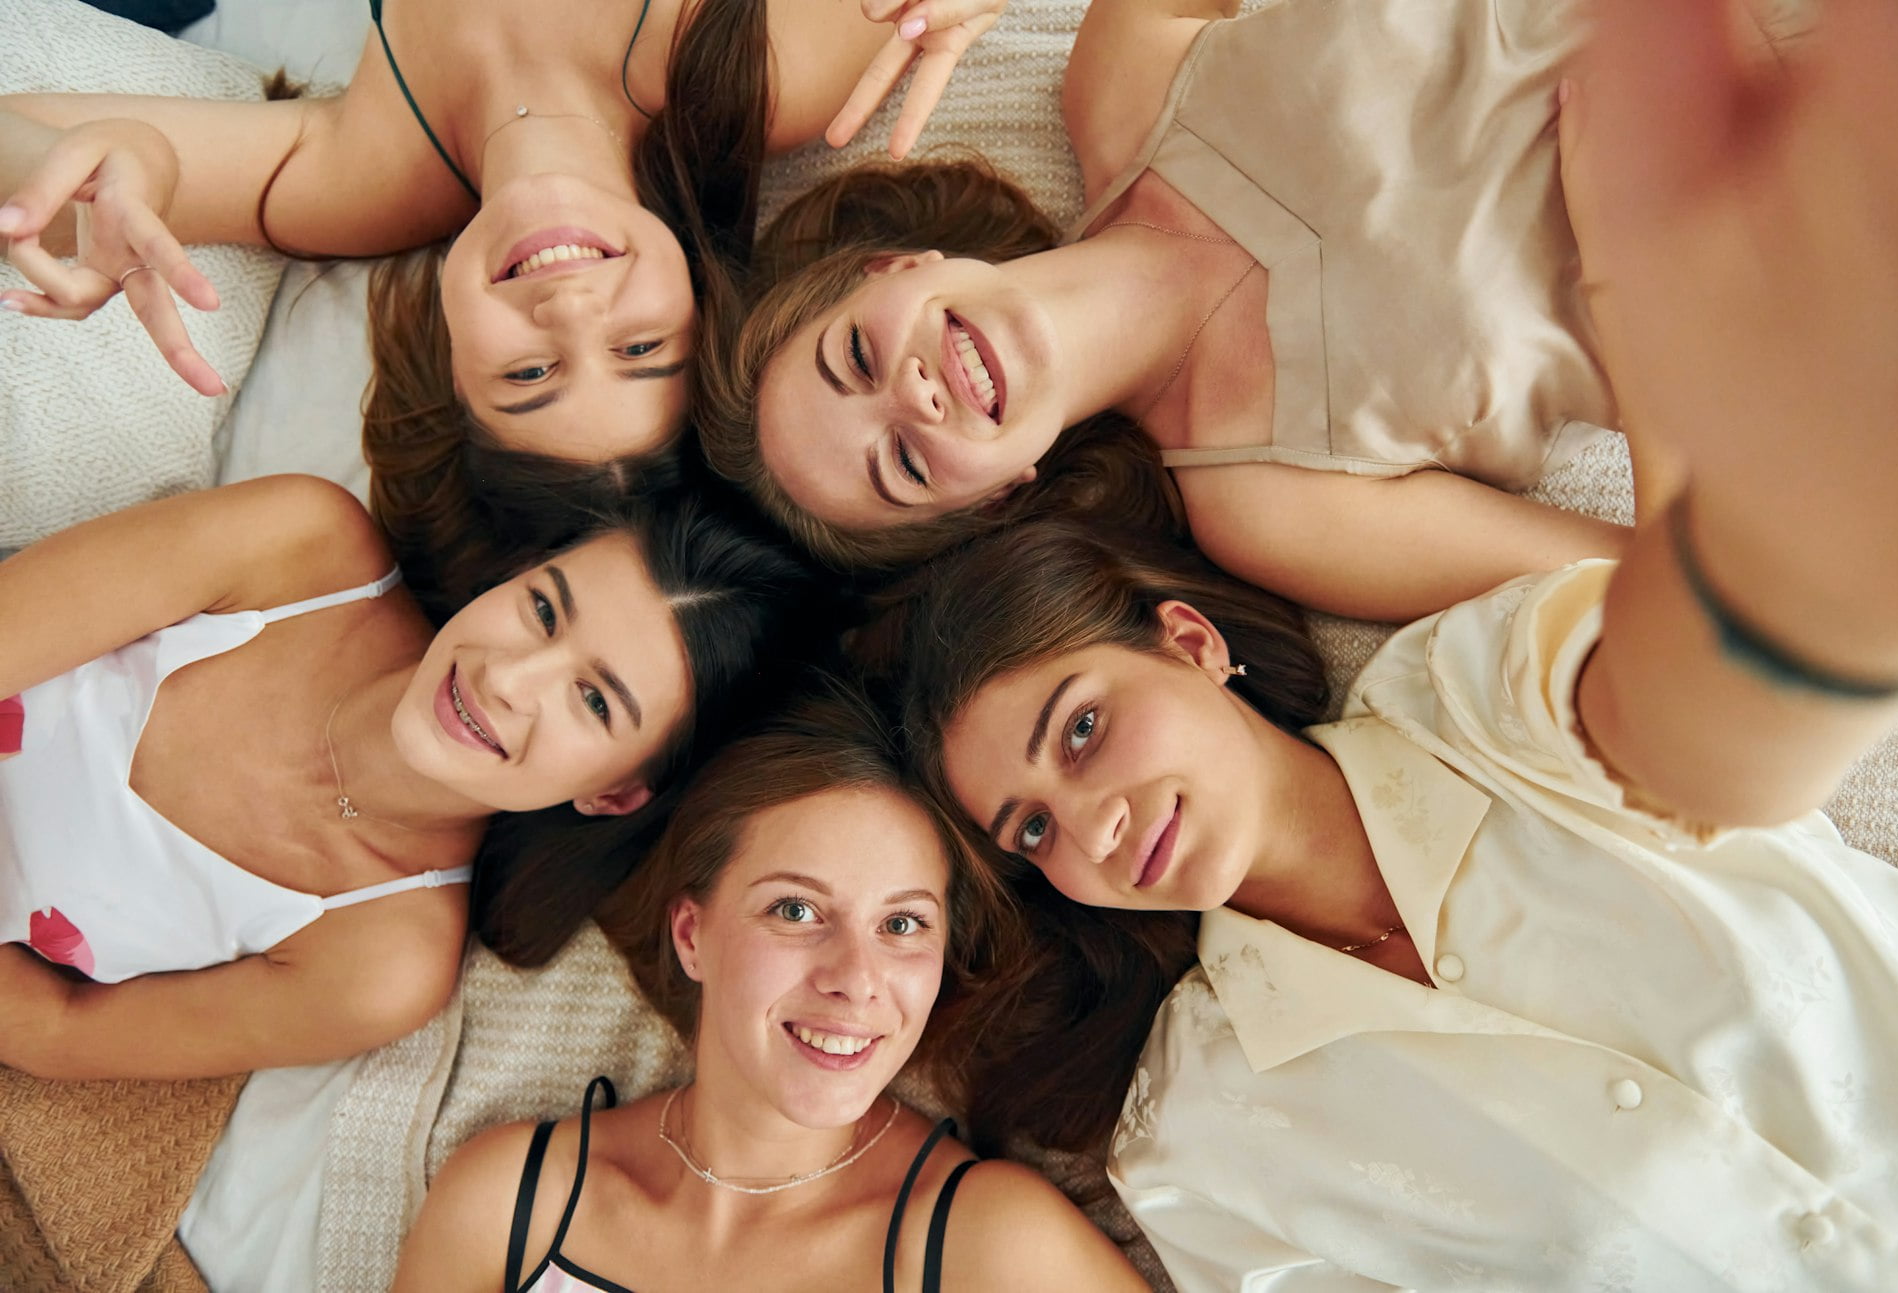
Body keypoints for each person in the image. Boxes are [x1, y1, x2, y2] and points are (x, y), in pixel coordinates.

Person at [863, 1, 1898, 1279]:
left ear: (1188, 641)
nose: (1089, 831)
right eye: (1029, 836)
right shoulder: (1199, 1135)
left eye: (1078, 733)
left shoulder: (1480, 690)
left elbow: (1709, 621)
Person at [697, 0, 1728, 620]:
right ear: (996, 498)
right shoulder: (1271, 507)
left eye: (854, 359)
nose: (912, 400)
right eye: (905, 465)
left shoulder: (1116, 80)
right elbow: (1678, 601)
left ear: (890, 266)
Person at [0, 0, 1006, 601]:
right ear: (703, 299)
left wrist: (100, 164)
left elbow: (26, 152)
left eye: (526, 375)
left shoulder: (353, 184)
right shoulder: (774, 70)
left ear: (447, 362)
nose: (571, 311)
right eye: (639, 347)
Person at [0, 474, 807, 1080]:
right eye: (545, 610)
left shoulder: (379, 961)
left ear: (614, 794)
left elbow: (56, 1032)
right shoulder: (299, 550)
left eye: (593, 699)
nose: (509, 678)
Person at [393, 681, 1150, 1292]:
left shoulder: (984, 1242)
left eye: (904, 924)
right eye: (796, 909)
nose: (856, 979)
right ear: (693, 935)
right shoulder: (513, 1203)